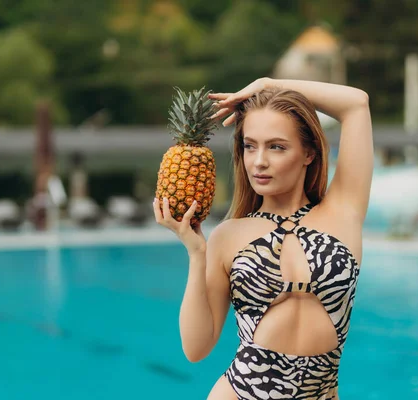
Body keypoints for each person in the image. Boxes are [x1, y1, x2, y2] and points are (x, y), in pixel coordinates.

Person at [153, 77, 373, 399]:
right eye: (250, 145)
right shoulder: (229, 236)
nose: (259, 161)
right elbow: (196, 349)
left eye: (277, 146)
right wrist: (197, 252)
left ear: (309, 153)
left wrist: (269, 84)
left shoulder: (343, 212)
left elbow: (356, 104)